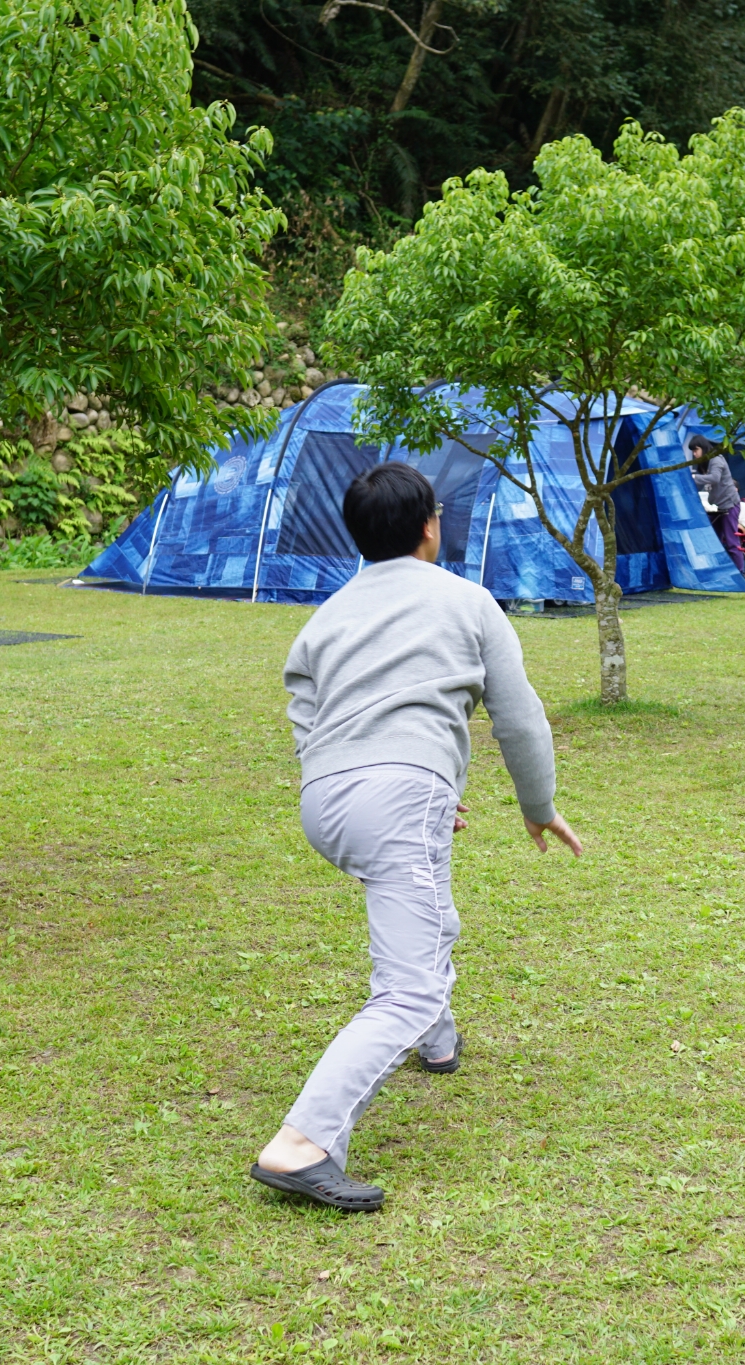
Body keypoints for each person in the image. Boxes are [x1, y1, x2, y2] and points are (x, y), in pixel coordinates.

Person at [251, 462, 583, 1213]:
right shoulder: (467, 600)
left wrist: (411, 788)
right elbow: (519, 717)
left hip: (326, 800)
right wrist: (537, 805)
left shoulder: (326, 615)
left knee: (425, 909)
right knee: (409, 983)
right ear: (432, 526)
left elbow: (307, 712)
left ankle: (437, 1042)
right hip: (397, 794)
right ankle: (302, 1144)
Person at [689, 436, 745, 572]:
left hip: (730, 504)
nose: (694, 454)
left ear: (703, 448)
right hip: (717, 507)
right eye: (692, 451)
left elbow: (715, 478)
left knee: (732, 542)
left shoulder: (716, 459)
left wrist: (694, 477)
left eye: (696, 450)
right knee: (713, 541)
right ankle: (717, 572)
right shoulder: (704, 462)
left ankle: (740, 573)